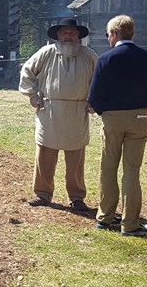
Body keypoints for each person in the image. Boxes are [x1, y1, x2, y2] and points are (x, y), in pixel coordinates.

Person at [87, 14, 147, 236]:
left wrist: (104, 112)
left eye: (107, 34)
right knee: (132, 171)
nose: (107, 38)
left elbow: (94, 96)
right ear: (132, 33)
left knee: (108, 167)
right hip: (140, 118)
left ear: (114, 34)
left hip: (112, 118)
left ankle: (105, 217)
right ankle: (130, 224)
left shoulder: (105, 59)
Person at [19, 17, 100, 211]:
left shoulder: (89, 55)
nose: (69, 36)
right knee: (45, 153)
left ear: (78, 35)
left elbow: (101, 80)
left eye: (72, 33)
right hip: (50, 110)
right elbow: (27, 71)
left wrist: (95, 100)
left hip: (77, 111)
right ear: (58, 35)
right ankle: (42, 193)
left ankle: (77, 197)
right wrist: (31, 95)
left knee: (76, 157)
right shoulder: (46, 53)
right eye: (65, 32)